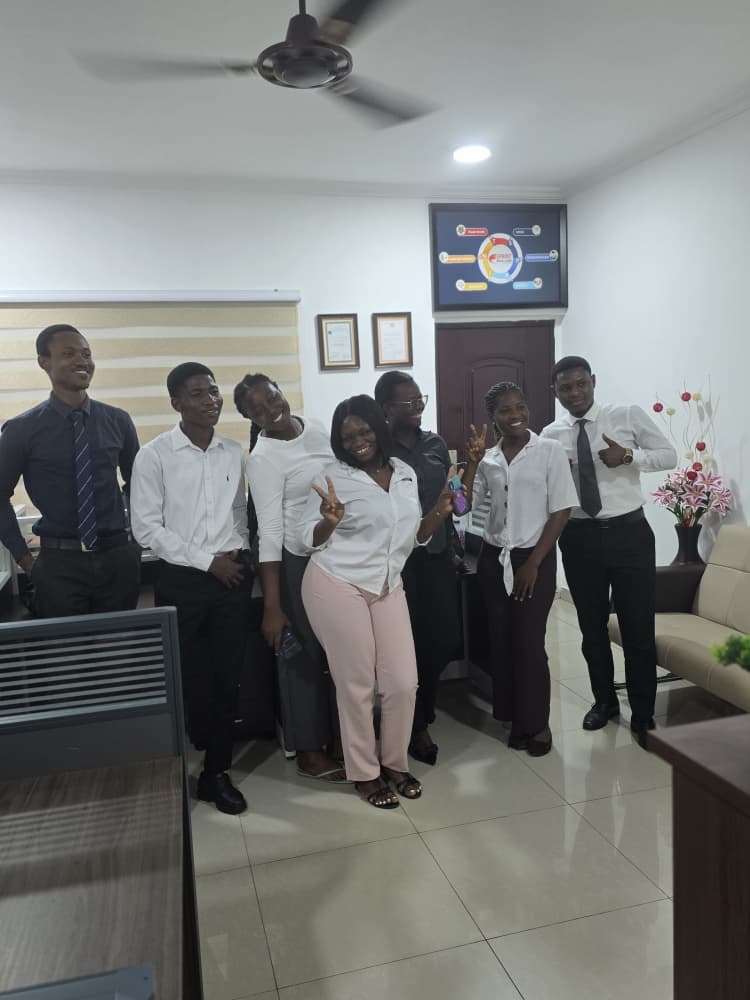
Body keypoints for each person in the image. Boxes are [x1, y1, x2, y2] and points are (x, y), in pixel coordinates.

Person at [299, 395, 458, 809]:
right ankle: (365, 774)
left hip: (387, 583)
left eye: (365, 431)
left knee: (403, 683)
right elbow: (302, 540)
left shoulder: (403, 472)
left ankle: (394, 762)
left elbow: (413, 535)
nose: (358, 441)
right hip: (337, 582)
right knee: (357, 686)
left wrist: (440, 511)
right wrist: (327, 523)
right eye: (347, 436)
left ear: (379, 428)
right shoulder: (330, 476)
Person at [130, 363, 251, 814]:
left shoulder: (232, 451)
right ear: (176, 403)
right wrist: (207, 562)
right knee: (186, 676)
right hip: (182, 579)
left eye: (214, 392)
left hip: (231, 576)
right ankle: (179, 760)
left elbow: (237, 512)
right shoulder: (154, 456)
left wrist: (235, 556)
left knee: (227, 675)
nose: (210, 400)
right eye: (198, 394)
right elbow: (146, 527)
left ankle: (216, 773)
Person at [540, 356, 677, 747]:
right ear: (555, 392)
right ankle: (604, 702)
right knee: (591, 628)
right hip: (579, 538)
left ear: (593, 381)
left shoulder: (625, 415)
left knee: (638, 628)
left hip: (629, 534)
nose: (575, 393)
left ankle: (644, 713)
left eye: (581, 384)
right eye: (566, 388)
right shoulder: (550, 435)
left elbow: (668, 455)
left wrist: (629, 456)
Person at [234, 373, 344, 782]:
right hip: (296, 561)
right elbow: (269, 532)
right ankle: (309, 750)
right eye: (257, 409)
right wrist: (273, 605)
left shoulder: (315, 427)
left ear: (281, 391)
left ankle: (340, 737)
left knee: (340, 650)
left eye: (272, 397)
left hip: (337, 552)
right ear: (249, 417)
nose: (270, 410)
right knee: (302, 654)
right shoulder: (263, 459)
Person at [463, 382, 577, 756]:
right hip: (494, 560)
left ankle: (538, 724)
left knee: (529, 644)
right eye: (505, 410)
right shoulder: (489, 460)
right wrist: (473, 463)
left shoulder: (549, 451)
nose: (516, 415)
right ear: (493, 417)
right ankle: (514, 718)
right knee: (502, 642)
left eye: (521, 406)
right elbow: (463, 507)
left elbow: (561, 510)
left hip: (534, 559)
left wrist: (533, 563)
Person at [374, 371, 482, 766]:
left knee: (443, 640)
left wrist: (472, 465)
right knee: (403, 646)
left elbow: (459, 504)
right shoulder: (375, 450)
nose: (418, 407)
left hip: (436, 556)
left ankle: (420, 712)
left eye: (421, 400)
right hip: (396, 562)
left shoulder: (435, 444)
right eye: (409, 402)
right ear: (386, 408)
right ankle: (414, 725)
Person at [0, 323, 140, 617]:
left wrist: (135, 544)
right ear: (44, 362)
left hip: (118, 559)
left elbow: (138, 485)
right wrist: (26, 561)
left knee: (123, 643)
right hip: (58, 565)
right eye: (68, 353)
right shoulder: (21, 429)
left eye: (86, 353)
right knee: (67, 646)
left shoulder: (118, 421)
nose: (82, 360)